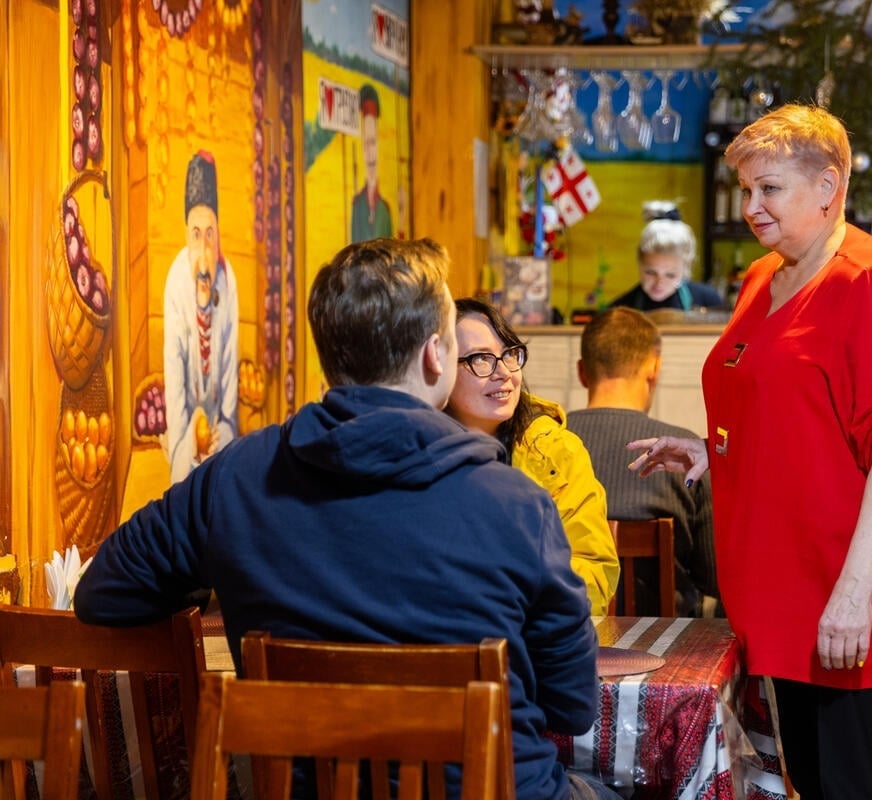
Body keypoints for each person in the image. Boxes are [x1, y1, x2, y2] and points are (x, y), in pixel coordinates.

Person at [75, 238, 614, 800]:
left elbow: (103, 594)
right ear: (435, 355)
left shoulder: (232, 479)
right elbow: (571, 706)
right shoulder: (516, 503)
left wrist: (225, 557)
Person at [626, 104, 872, 800]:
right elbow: (791, 409)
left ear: (828, 187)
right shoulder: (765, 277)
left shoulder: (869, 281)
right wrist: (711, 451)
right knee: (809, 782)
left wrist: (853, 593)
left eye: (770, 189)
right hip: (784, 590)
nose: (751, 206)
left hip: (848, 590)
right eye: (748, 189)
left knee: (853, 783)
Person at [446, 297, 619, 617]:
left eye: (509, 355)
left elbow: (595, 572)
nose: (503, 373)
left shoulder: (556, 451)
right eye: (481, 360)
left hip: (536, 639)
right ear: (439, 368)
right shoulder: (419, 452)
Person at [567, 306, 718, 617]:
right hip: (663, 645)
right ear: (654, 368)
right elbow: (715, 576)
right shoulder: (684, 454)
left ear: (582, 371)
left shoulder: (540, 446)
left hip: (564, 643)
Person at [163, 150, 239, 484]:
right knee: (184, 482)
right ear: (186, 236)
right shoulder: (176, 281)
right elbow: (174, 373)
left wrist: (224, 426)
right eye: (197, 234)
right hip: (185, 428)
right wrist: (186, 438)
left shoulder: (228, 279)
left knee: (227, 478)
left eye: (211, 234)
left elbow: (229, 369)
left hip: (218, 425)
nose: (205, 252)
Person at [608, 201, 725, 313]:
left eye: (670, 275)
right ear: (640, 262)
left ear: (685, 268)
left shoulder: (709, 301)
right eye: (651, 272)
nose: (659, 283)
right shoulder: (619, 310)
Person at [350, 83, 393, 243]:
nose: (370, 152)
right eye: (366, 144)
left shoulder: (385, 209)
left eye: (373, 143)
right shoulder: (357, 205)